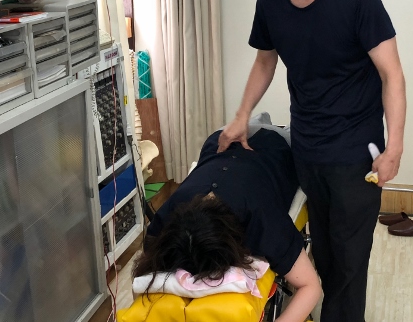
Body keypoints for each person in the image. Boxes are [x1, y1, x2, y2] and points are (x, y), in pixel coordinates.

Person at [217, 0, 406, 322]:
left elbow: (392, 74)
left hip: (357, 152)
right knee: (323, 244)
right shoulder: (269, 4)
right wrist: (241, 117)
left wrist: (394, 146)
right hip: (307, 146)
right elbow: (265, 61)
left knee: (350, 257)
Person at [133, 125, 322, 322]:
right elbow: (142, 281)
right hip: (220, 141)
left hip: (274, 145)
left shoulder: (262, 220)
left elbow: (310, 287)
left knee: (268, 127)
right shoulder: (168, 215)